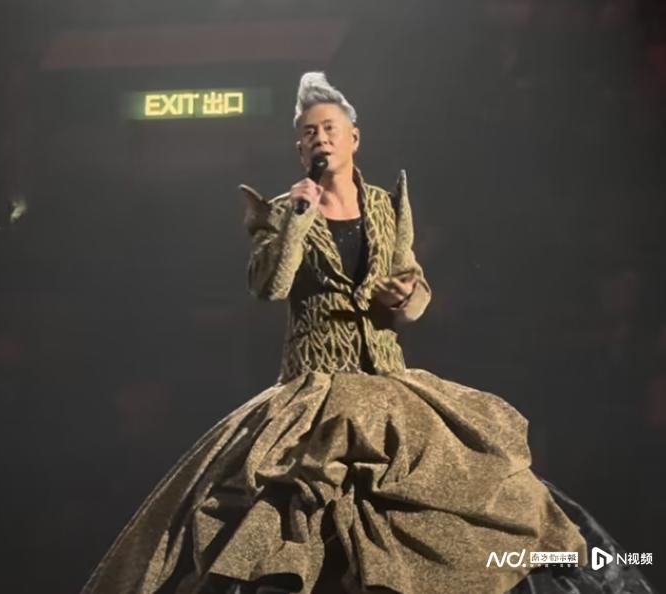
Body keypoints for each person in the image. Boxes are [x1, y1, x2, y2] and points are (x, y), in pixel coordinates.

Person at [80, 73, 657, 594]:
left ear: (354, 138)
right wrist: (297, 220)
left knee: (482, 493)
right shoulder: (281, 210)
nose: (320, 139)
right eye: (309, 133)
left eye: (330, 128)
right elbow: (269, 287)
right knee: (290, 513)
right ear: (299, 148)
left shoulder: (385, 204)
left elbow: (415, 292)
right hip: (314, 390)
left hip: (389, 382)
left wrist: (405, 297)